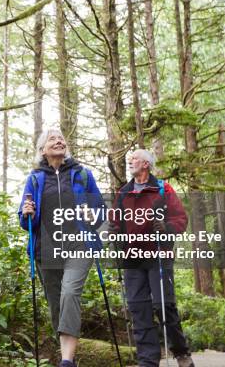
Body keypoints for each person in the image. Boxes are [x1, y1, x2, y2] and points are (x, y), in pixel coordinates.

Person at [18, 128, 105, 367]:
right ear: (42, 150)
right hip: (46, 249)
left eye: (61, 138)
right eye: (52, 139)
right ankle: (72, 359)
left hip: (79, 245)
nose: (59, 141)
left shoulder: (82, 175)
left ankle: (66, 362)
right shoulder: (35, 179)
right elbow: (25, 219)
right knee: (56, 303)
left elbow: (100, 211)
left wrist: (92, 214)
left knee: (69, 292)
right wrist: (26, 213)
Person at [109, 149, 195, 367]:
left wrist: (166, 228)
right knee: (139, 308)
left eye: (135, 158)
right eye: (129, 159)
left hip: (158, 253)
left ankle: (181, 352)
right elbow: (116, 221)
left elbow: (180, 219)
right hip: (132, 257)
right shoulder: (124, 192)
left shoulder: (163, 189)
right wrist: (114, 231)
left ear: (146, 163)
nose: (130, 161)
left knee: (163, 304)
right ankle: (148, 360)